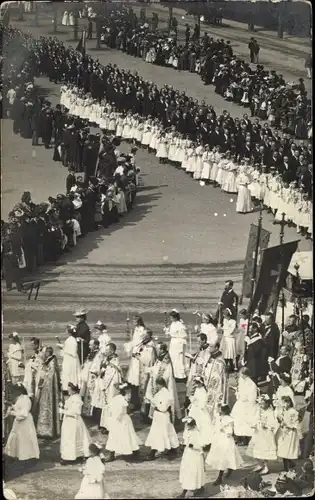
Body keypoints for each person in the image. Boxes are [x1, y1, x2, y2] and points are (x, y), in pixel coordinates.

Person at [142, 342, 181, 423]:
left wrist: (154, 372)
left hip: (163, 385)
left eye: (158, 348)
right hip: (154, 381)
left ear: (162, 349)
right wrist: (148, 369)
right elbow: (156, 368)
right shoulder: (160, 357)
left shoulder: (166, 361)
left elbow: (167, 374)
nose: (156, 350)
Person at [206, 404, 243, 485]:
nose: (220, 411)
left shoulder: (229, 419)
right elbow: (215, 419)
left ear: (225, 410)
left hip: (226, 439)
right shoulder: (219, 416)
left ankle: (220, 477)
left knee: (224, 458)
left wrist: (224, 429)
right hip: (219, 439)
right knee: (221, 457)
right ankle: (228, 470)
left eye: (221, 409)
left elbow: (230, 432)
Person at [145, 377, 179, 461]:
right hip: (159, 416)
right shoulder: (161, 392)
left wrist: (152, 401)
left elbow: (163, 407)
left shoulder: (166, 394)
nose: (156, 386)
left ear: (160, 384)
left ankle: (153, 451)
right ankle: (172, 449)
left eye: (157, 384)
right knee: (166, 432)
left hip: (162, 416)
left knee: (160, 433)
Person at [105, 383, 140, 462]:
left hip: (122, 419)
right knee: (116, 436)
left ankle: (134, 451)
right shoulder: (119, 399)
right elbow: (115, 410)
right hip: (119, 419)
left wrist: (115, 418)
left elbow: (119, 410)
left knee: (127, 435)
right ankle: (112, 454)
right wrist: (114, 418)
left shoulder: (120, 398)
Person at [4, 383, 40, 461]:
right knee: (15, 437)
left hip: (25, 422)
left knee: (24, 439)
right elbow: (18, 407)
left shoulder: (25, 399)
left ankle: (27, 456)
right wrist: (11, 406)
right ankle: (12, 455)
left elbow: (23, 414)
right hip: (19, 422)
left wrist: (12, 413)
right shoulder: (20, 398)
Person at [32, 346, 62, 439]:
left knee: (47, 408)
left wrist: (42, 380)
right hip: (45, 388)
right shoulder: (50, 361)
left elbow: (50, 375)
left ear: (48, 353)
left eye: (45, 353)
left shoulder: (51, 361)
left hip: (48, 390)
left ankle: (47, 431)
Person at [59, 382, 91, 464]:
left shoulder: (77, 398)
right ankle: (68, 455)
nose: (68, 391)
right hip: (68, 421)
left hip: (73, 421)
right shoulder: (72, 397)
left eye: (69, 390)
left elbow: (76, 412)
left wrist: (63, 411)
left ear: (74, 390)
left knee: (72, 438)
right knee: (68, 438)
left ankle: (72, 456)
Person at [246, 394, 278, 475]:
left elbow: (273, 424)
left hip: (266, 434)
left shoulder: (270, 412)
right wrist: (254, 424)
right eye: (260, 403)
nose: (260, 405)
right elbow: (255, 419)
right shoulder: (259, 411)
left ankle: (266, 467)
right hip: (258, 433)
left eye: (262, 403)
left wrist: (266, 425)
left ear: (267, 403)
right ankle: (260, 465)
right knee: (255, 450)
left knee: (264, 451)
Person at [203, 341, 228, 432]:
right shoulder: (211, 357)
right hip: (209, 386)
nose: (209, 348)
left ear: (217, 348)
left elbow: (219, 376)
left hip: (216, 388)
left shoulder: (220, 360)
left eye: (211, 346)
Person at [179, 416, 205, 498]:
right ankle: (197, 487)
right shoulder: (188, 431)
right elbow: (186, 440)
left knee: (193, 471)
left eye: (188, 425)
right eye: (186, 425)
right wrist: (184, 442)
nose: (186, 427)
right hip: (188, 454)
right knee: (187, 470)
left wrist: (193, 446)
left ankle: (185, 492)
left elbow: (200, 446)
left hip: (195, 455)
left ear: (192, 425)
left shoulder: (197, 433)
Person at [231, 367, 259, 446]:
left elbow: (252, 397)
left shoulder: (251, 384)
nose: (240, 375)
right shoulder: (241, 380)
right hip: (241, 402)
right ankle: (238, 437)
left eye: (241, 374)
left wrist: (244, 398)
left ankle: (245, 439)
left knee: (245, 421)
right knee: (237, 420)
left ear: (245, 374)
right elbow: (240, 390)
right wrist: (237, 392)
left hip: (247, 404)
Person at [124, 314, 147, 409]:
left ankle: (137, 398)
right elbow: (134, 340)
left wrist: (130, 345)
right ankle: (134, 396)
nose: (133, 323)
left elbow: (139, 341)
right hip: (135, 350)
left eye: (134, 321)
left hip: (138, 351)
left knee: (137, 372)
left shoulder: (141, 329)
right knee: (133, 373)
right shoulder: (136, 329)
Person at [99, 343, 122, 433]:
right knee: (106, 404)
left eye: (107, 350)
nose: (106, 351)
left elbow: (112, 373)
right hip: (107, 385)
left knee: (110, 404)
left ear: (112, 351)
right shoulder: (107, 359)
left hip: (112, 385)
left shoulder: (115, 360)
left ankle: (110, 426)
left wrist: (104, 383)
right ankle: (105, 424)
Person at [276, 395, 301, 471]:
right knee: (283, 450)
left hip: (290, 433)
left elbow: (295, 424)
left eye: (285, 403)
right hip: (284, 432)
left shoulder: (293, 412)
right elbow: (282, 420)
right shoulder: (284, 411)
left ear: (289, 403)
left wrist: (288, 425)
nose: (283, 405)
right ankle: (287, 466)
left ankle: (288, 467)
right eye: (282, 403)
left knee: (288, 450)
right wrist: (280, 420)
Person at [80, 339, 103, 419]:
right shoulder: (91, 353)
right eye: (89, 345)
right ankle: (86, 411)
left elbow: (98, 365)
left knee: (92, 394)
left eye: (91, 345)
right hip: (87, 376)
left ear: (96, 345)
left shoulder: (99, 354)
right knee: (87, 394)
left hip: (93, 377)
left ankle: (92, 413)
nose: (89, 347)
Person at [187, 376, 213, 449]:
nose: (197, 385)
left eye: (198, 383)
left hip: (201, 409)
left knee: (202, 424)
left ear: (201, 383)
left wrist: (196, 402)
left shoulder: (203, 391)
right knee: (194, 423)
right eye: (196, 383)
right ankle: (194, 441)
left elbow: (203, 402)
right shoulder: (197, 390)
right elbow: (195, 398)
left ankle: (203, 442)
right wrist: (192, 400)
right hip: (195, 409)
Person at [186, 333, 211, 400]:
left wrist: (197, 359)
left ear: (204, 340)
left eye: (199, 341)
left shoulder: (208, 350)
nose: (198, 343)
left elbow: (205, 361)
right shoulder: (201, 348)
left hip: (202, 373)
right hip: (196, 370)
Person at [164, 309, 187, 381]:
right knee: (173, 358)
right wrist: (167, 331)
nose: (171, 319)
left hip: (178, 343)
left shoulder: (180, 325)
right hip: (173, 342)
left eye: (172, 317)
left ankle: (180, 375)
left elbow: (183, 335)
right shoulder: (173, 324)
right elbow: (172, 333)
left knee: (178, 359)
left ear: (175, 317)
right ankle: (174, 373)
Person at [57, 324, 81, 393]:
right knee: (67, 372)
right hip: (69, 359)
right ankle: (67, 386)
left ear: (69, 332)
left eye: (66, 330)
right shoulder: (70, 339)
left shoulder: (72, 340)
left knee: (70, 372)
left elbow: (72, 352)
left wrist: (63, 348)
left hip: (71, 359)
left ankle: (72, 386)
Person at [220, 308, 237, 372]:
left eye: (225, 315)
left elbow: (231, 330)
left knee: (230, 353)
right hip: (225, 338)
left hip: (231, 338)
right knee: (225, 353)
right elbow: (223, 330)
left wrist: (225, 327)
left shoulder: (233, 321)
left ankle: (231, 366)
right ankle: (225, 365)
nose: (224, 317)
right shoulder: (224, 320)